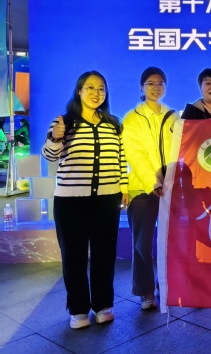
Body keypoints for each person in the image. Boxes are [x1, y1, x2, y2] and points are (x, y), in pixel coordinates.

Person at [42, 71, 127, 329]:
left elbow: (121, 159)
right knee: (73, 256)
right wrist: (56, 137)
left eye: (101, 88)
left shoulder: (113, 123)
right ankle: (78, 309)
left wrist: (123, 187)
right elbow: (49, 156)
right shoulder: (64, 121)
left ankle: (103, 305)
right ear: (79, 91)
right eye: (90, 88)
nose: (96, 93)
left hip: (107, 200)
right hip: (70, 202)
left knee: (104, 255)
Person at [122, 67, 179, 310]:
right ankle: (145, 292)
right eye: (150, 83)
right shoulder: (131, 118)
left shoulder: (174, 117)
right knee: (142, 244)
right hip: (142, 189)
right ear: (142, 87)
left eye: (160, 83)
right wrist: (152, 181)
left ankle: (163, 285)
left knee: (170, 242)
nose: (156, 87)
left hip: (170, 189)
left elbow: (179, 151)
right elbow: (135, 154)